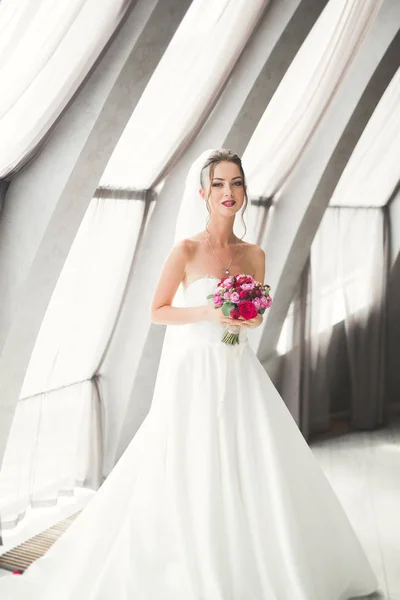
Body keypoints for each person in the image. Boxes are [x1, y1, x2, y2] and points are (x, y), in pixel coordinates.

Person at [0, 148, 379, 600]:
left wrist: (244, 317)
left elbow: (255, 316)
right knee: (189, 469)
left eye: (236, 183)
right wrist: (209, 310)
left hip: (238, 372)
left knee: (254, 469)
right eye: (218, 184)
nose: (228, 192)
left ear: (244, 192)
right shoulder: (185, 250)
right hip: (192, 376)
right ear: (202, 193)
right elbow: (157, 311)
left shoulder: (254, 254)